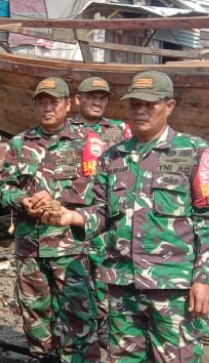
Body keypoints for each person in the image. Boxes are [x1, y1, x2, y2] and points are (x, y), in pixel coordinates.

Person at [43, 71, 209, 363]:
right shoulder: (114, 157)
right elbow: (102, 213)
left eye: (151, 103)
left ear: (169, 106)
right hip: (122, 282)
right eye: (135, 103)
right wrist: (71, 216)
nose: (141, 110)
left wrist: (206, 280)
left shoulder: (195, 152)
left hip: (174, 286)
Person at [0, 76, 102, 363]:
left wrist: (59, 204)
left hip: (71, 245)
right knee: (34, 307)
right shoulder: (19, 143)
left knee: (78, 311)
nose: (48, 107)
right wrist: (21, 200)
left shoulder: (89, 142)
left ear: (69, 103)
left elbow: (103, 194)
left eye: (54, 101)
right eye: (41, 101)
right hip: (29, 244)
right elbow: (3, 190)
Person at [70, 76, 132, 347]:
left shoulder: (120, 130)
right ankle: (78, 337)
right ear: (78, 99)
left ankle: (108, 333)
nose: (97, 101)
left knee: (106, 276)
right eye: (91, 96)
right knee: (72, 281)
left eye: (102, 97)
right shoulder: (65, 130)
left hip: (107, 216)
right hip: (72, 217)